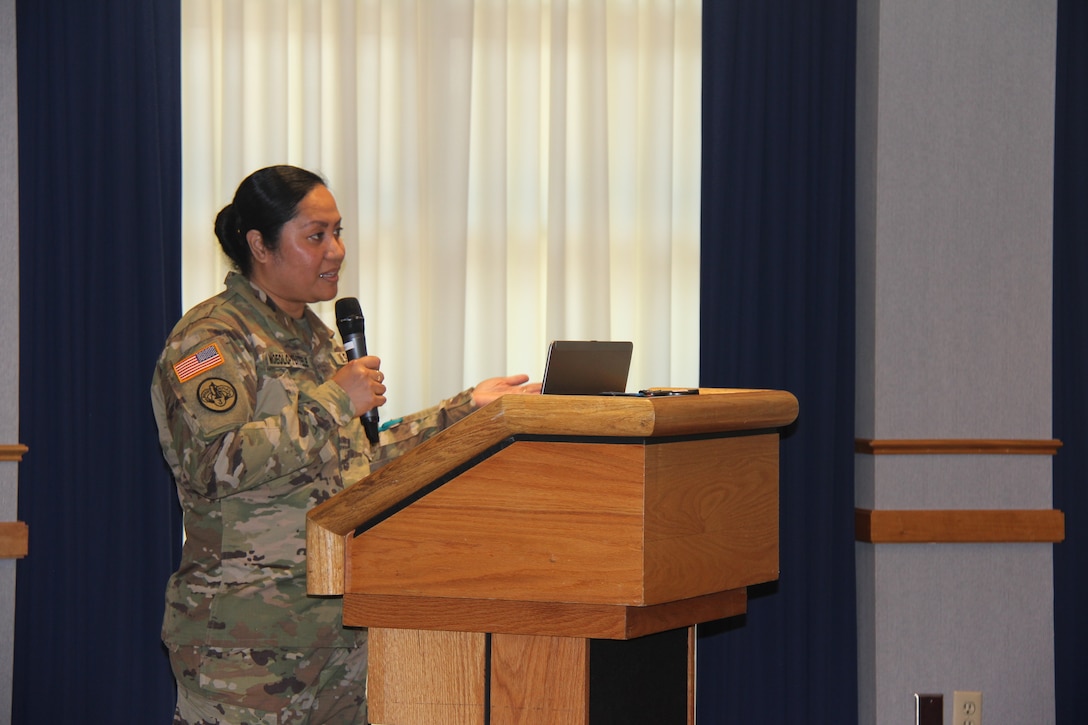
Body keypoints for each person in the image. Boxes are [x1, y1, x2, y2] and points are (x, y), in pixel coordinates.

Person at [151, 165, 539, 724]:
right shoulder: (211, 339)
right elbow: (213, 467)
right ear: (260, 244)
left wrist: (464, 412)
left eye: (339, 232)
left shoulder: (316, 338)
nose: (336, 251)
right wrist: (333, 400)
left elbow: (360, 464)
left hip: (337, 636)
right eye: (316, 236)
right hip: (244, 650)